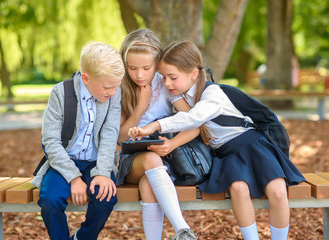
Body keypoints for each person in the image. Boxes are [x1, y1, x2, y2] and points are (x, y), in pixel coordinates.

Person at [128, 40, 306, 240]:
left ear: (193, 74)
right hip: (226, 153)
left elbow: (193, 118)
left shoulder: (212, 93)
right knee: (238, 189)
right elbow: (192, 125)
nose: (167, 83)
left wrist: (154, 126)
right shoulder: (180, 97)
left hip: (252, 145)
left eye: (172, 77)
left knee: (278, 192)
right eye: (164, 77)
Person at [31, 42, 125, 240]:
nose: (113, 93)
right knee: (50, 199)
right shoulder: (61, 93)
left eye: (116, 86)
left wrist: (102, 172)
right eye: (108, 87)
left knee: (106, 196)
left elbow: (109, 134)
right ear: (86, 78)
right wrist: (74, 178)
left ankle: (83, 237)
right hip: (63, 162)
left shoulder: (113, 95)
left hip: (95, 162)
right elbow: (50, 141)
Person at [117, 29, 198, 240]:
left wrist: (172, 144)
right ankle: (183, 229)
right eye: (132, 68)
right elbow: (120, 138)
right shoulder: (121, 87)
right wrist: (141, 107)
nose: (140, 75)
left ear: (158, 65)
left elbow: (193, 123)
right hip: (130, 161)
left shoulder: (164, 85)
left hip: (165, 159)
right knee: (151, 161)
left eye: (147, 68)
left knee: (149, 185)